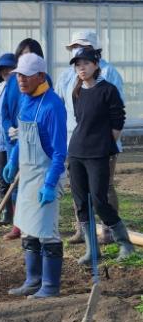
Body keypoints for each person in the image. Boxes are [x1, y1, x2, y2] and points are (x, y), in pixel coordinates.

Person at [3, 54, 67, 298]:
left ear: (40, 76)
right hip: (28, 173)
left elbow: (60, 152)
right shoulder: (25, 100)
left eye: (26, 75)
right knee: (28, 229)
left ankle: (50, 286)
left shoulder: (52, 106)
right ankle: (33, 280)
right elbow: (23, 135)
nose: (20, 79)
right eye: (18, 75)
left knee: (47, 230)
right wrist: (12, 160)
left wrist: (50, 184)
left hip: (48, 172)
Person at [55, 30, 125, 245]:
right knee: (79, 188)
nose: (77, 50)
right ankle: (82, 229)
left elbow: (116, 112)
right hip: (74, 142)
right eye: (74, 47)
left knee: (103, 187)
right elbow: (61, 103)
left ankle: (108, 230)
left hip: (101, 145)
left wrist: (108, 142)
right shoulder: (68, 74)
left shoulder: (109, 73)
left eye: (81, 45)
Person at [66, 47, 133, 263]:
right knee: (81, 203)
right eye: (78, 65)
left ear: (96, 65)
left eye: (85, 63)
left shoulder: (108, 90)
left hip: (98, 153)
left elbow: (118, 119)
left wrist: (105, 143)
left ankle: (125, 244)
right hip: (76, 152)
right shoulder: (77, 91)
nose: (81, 68)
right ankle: (92, 251)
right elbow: (79, 119)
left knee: (99, 201)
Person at [0, 38, 48, 241]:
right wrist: (9, 128)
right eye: (22, 55)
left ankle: (33, 223)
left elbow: (41, 111)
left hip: (34, 141)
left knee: (33, 182)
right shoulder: (12, 81)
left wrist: (26, 130)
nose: (25, 59)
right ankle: (17, 225)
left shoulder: (44, 82)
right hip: (14, 142)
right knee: (15, 184)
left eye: (30, 55)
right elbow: (5, 112)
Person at [0, 53, 17, 226]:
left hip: (14, 141)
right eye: (3, 69)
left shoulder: (18, 89)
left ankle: (18, 218)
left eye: (9, 68)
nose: (6, 72)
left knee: (15, 179)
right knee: (2, 179)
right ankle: (6, 213)